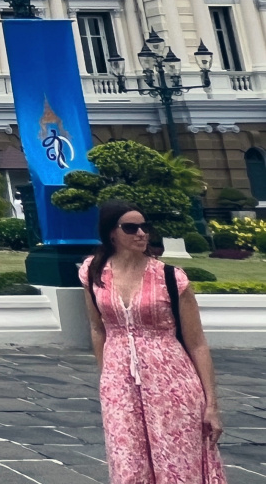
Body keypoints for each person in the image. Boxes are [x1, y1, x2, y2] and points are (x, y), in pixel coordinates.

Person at [80, 201, 226, 484]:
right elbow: (98, 329)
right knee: (127, 465)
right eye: (131, 227)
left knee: (178, 463)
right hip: (119, 386)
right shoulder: (93, 272)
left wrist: (212, 405)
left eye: (145, 227)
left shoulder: (170, 277)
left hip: (171, 382)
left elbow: (197, 343)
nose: (141, 233)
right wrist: (107, 375)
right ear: (111, 233)